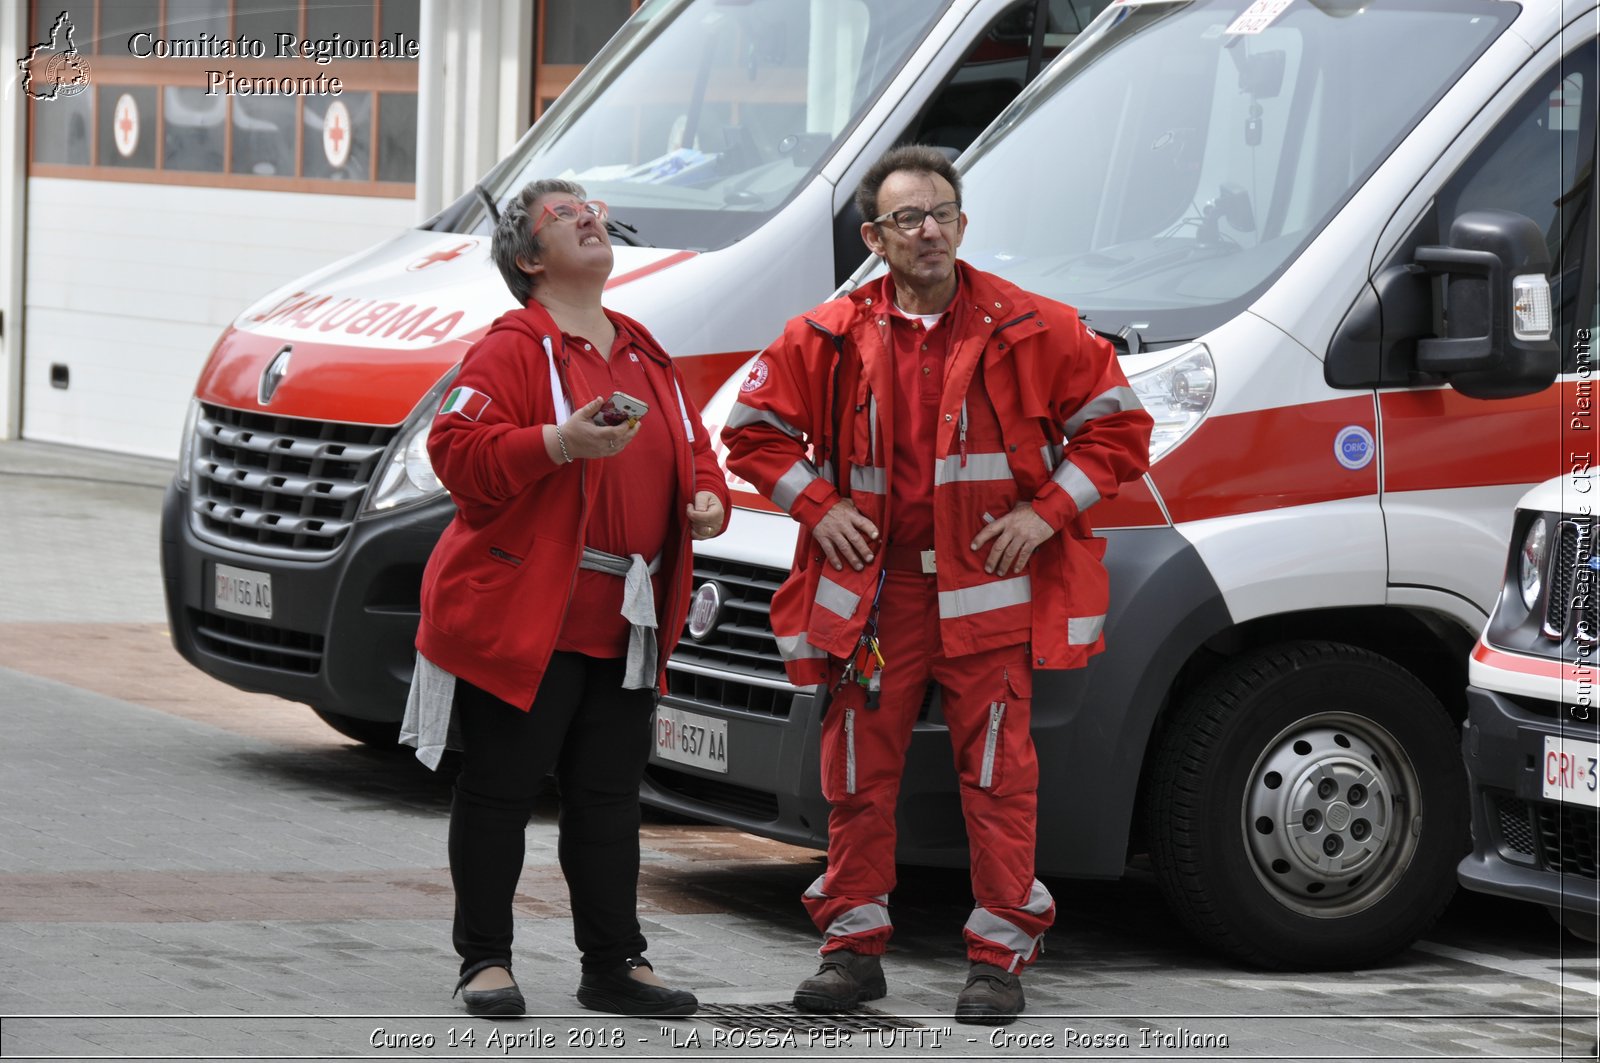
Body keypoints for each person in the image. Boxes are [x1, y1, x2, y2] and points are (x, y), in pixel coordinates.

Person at [721, 145, 1152, 1025]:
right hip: (875, 603)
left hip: (988, 595)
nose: (931, 230)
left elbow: (1118, 430)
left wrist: (1042, 515)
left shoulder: (1035, 325)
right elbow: (753, 432)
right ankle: (850, 952)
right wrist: (818, 504)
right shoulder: (829, 333)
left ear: (963, 223)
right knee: (855, 774)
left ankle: (999, 959)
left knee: (998, 778)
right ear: (876, 237)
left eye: (944, 212)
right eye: (910, 218)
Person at [401, 178, 730, 1018]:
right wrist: (557, 441)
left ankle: (615, 963)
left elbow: (695, 448)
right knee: (501, 792)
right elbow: (458, 453)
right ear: (529, 259)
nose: (588, 217)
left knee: (610, 799)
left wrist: (707, 497)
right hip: (526, 614)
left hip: (626, 621)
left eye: (592, 209)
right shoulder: (511, 348)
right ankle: (485, 961)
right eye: (562, 215)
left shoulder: (644, 349)